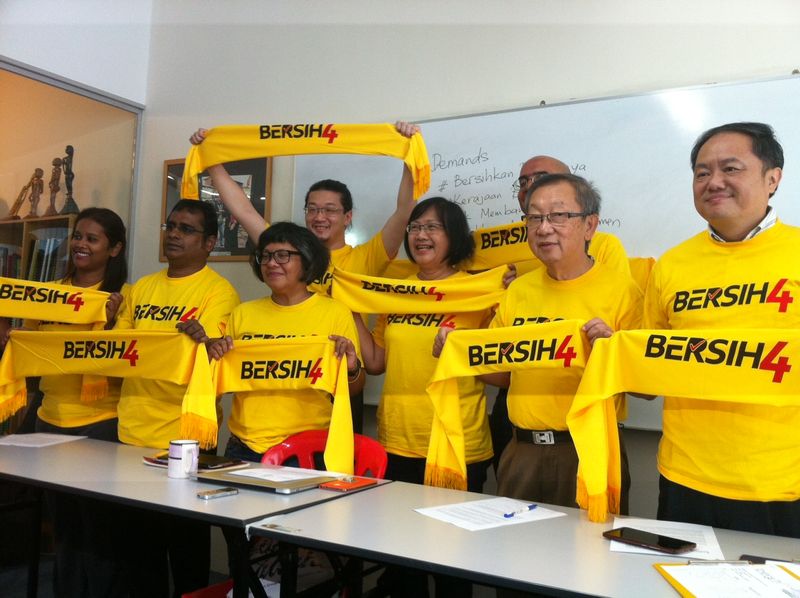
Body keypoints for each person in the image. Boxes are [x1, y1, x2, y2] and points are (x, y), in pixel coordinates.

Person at [643, 122, 800, 537]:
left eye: (731, 169)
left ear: (773, 179)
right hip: (684, 478)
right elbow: (648, 372)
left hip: (782, 484)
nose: (714, 182)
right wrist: (612, 349)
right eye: (701, 172)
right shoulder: (671, 265)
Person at [472, 173, 641, 512]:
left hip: (590, 447)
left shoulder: (623, 290)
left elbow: (645, 388)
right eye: (534, 217)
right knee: (511, 556)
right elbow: (504, 374)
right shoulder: (518, 291)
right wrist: (460, 355)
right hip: (522, 449)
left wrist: (612, 351)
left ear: (590, 226)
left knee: (590, 556)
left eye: (559, 216)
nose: (544, 228)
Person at [357, 197, 492, 598]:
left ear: (455, 236)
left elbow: (500, 366)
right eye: (415, 227)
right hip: (398, 440)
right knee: (404, 563)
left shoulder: (477, 290)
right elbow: (377, 362)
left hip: (456, 446)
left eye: (433, 227)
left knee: (453, 567)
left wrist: (461, 346)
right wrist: (351, 312)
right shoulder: (395, 293)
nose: (420, 235)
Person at [115, 199, 240, 597]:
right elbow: (120, 349)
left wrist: (201, 343)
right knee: (138, 548)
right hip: (132, 427)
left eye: (186, 229)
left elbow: (212, 355)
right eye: (171, 225)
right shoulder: (143, 287)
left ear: (209, 243)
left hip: (184, 435)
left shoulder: (219, 292)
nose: (173, 234)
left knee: (185, 545)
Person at [24, 207, 129, 598]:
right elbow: (28, 353)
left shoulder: (125, 297)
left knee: (99, 529)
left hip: (101, 424)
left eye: (93, 238)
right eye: (78, 236)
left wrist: (114, 325)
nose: (81, 245)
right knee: (63, 528)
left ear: (114, 248)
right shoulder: (49, 294)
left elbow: (131, 363)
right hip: (49, 420)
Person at [207, 221, 364, 462]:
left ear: (308, 260)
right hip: (244, 446)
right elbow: (219, 379)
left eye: (283, 255)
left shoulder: (335, 312)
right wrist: (212, 353)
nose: (271, 263)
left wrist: (352, 368)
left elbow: (352, 388)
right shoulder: (243, 313)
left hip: (307, 448)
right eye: (266, 256)